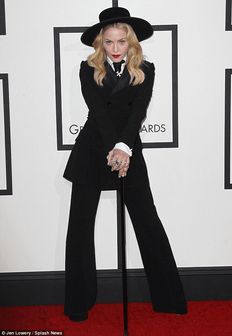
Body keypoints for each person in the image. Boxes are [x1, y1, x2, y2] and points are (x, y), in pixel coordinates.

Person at [63, 7, 188, 322]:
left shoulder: (146, 68)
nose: (115, 48)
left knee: (148, 221)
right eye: (109, 42)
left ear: (131, 43)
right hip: (93, 150)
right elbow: (99, 112)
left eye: (121, 42)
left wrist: (124, 148)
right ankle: (78, 302)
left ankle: (169, 298)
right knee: (79, 227)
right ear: (100, 44)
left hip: (129, 150)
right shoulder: (87, 68)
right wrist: (112, 148)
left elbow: (138, 111)